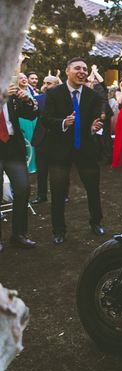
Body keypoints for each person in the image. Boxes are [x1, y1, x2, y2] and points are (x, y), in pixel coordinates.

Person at [42, 57, 106, 244]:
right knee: (58, 191)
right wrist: (63, 122)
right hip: (59, 149)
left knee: (93, 188)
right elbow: (45, 119)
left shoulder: (92, 95)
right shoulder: (54, 94)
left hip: (85, 147)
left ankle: (96, 222)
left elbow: (97, 118)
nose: (82, 72)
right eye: (77, 68)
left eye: (85, 69)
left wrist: (95, 126)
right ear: (67, 71)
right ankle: (58, 230)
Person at [0, 80, 38, 252]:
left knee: (23, 189)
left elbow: (30, 115)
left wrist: (26, 100)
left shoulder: (10, 90)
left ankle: (19, 235)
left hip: (13, 148)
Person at [31, 75, 62, 204]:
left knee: (59, 169)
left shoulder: (63, 99)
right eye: (44, 83)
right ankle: (41, 195)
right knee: (42, 170)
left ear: (56, 85)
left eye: (49, 83)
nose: (45, 85)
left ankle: (63, 194)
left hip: (57, 139)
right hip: (41, 138)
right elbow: (32, 114)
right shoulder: (38, 99)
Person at [16, 73, 37, 173]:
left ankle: (34, 164)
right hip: (22, 120)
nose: (24, 79)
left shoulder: (31, 91)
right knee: (26, 141)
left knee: (33, 141)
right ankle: (27, 165)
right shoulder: (15, 92)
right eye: (21, 78)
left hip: (33, 119)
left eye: (25, 78)